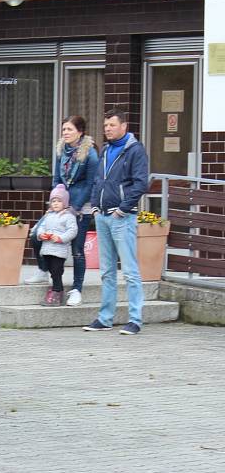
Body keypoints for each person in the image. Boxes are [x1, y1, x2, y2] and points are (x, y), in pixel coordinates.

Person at [83, 108, 149, 335]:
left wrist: (122, 209)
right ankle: (105, 318)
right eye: (105, 126)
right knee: (107, 271)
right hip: (101, 216)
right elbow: (97, 181)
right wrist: (94, 206)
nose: (107, 129)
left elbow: (141, 183)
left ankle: (135, 320)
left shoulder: (135, 151)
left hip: (122, 218)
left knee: (130, 271)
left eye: (112, 125)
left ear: (124, 126)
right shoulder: (106, 150)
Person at [25, 115, 99, 308]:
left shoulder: (89, 154)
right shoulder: (61, 150)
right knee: (36, 234)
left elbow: (92, 183)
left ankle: (76, 289)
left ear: (80, 132)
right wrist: (54, 201)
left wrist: (74, 208)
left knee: (77, 249)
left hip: (80, 206)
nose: (65, 133)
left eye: (69, 130)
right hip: (60, 203)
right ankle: (42, 269)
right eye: (64, 129)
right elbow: (57, 178)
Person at [34, 184, 78, 306]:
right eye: (53, 201)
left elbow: (72, 231)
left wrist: (60, 238)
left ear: (65, 202)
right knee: (50, 269)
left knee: (56, 270)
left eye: (59, 201)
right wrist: (41, 234)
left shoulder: (68, 216)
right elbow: (41, 227)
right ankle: (55, 289)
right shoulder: (48, 215)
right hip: (47, 248)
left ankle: (57, 291)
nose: (56, 203)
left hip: (59, 250)